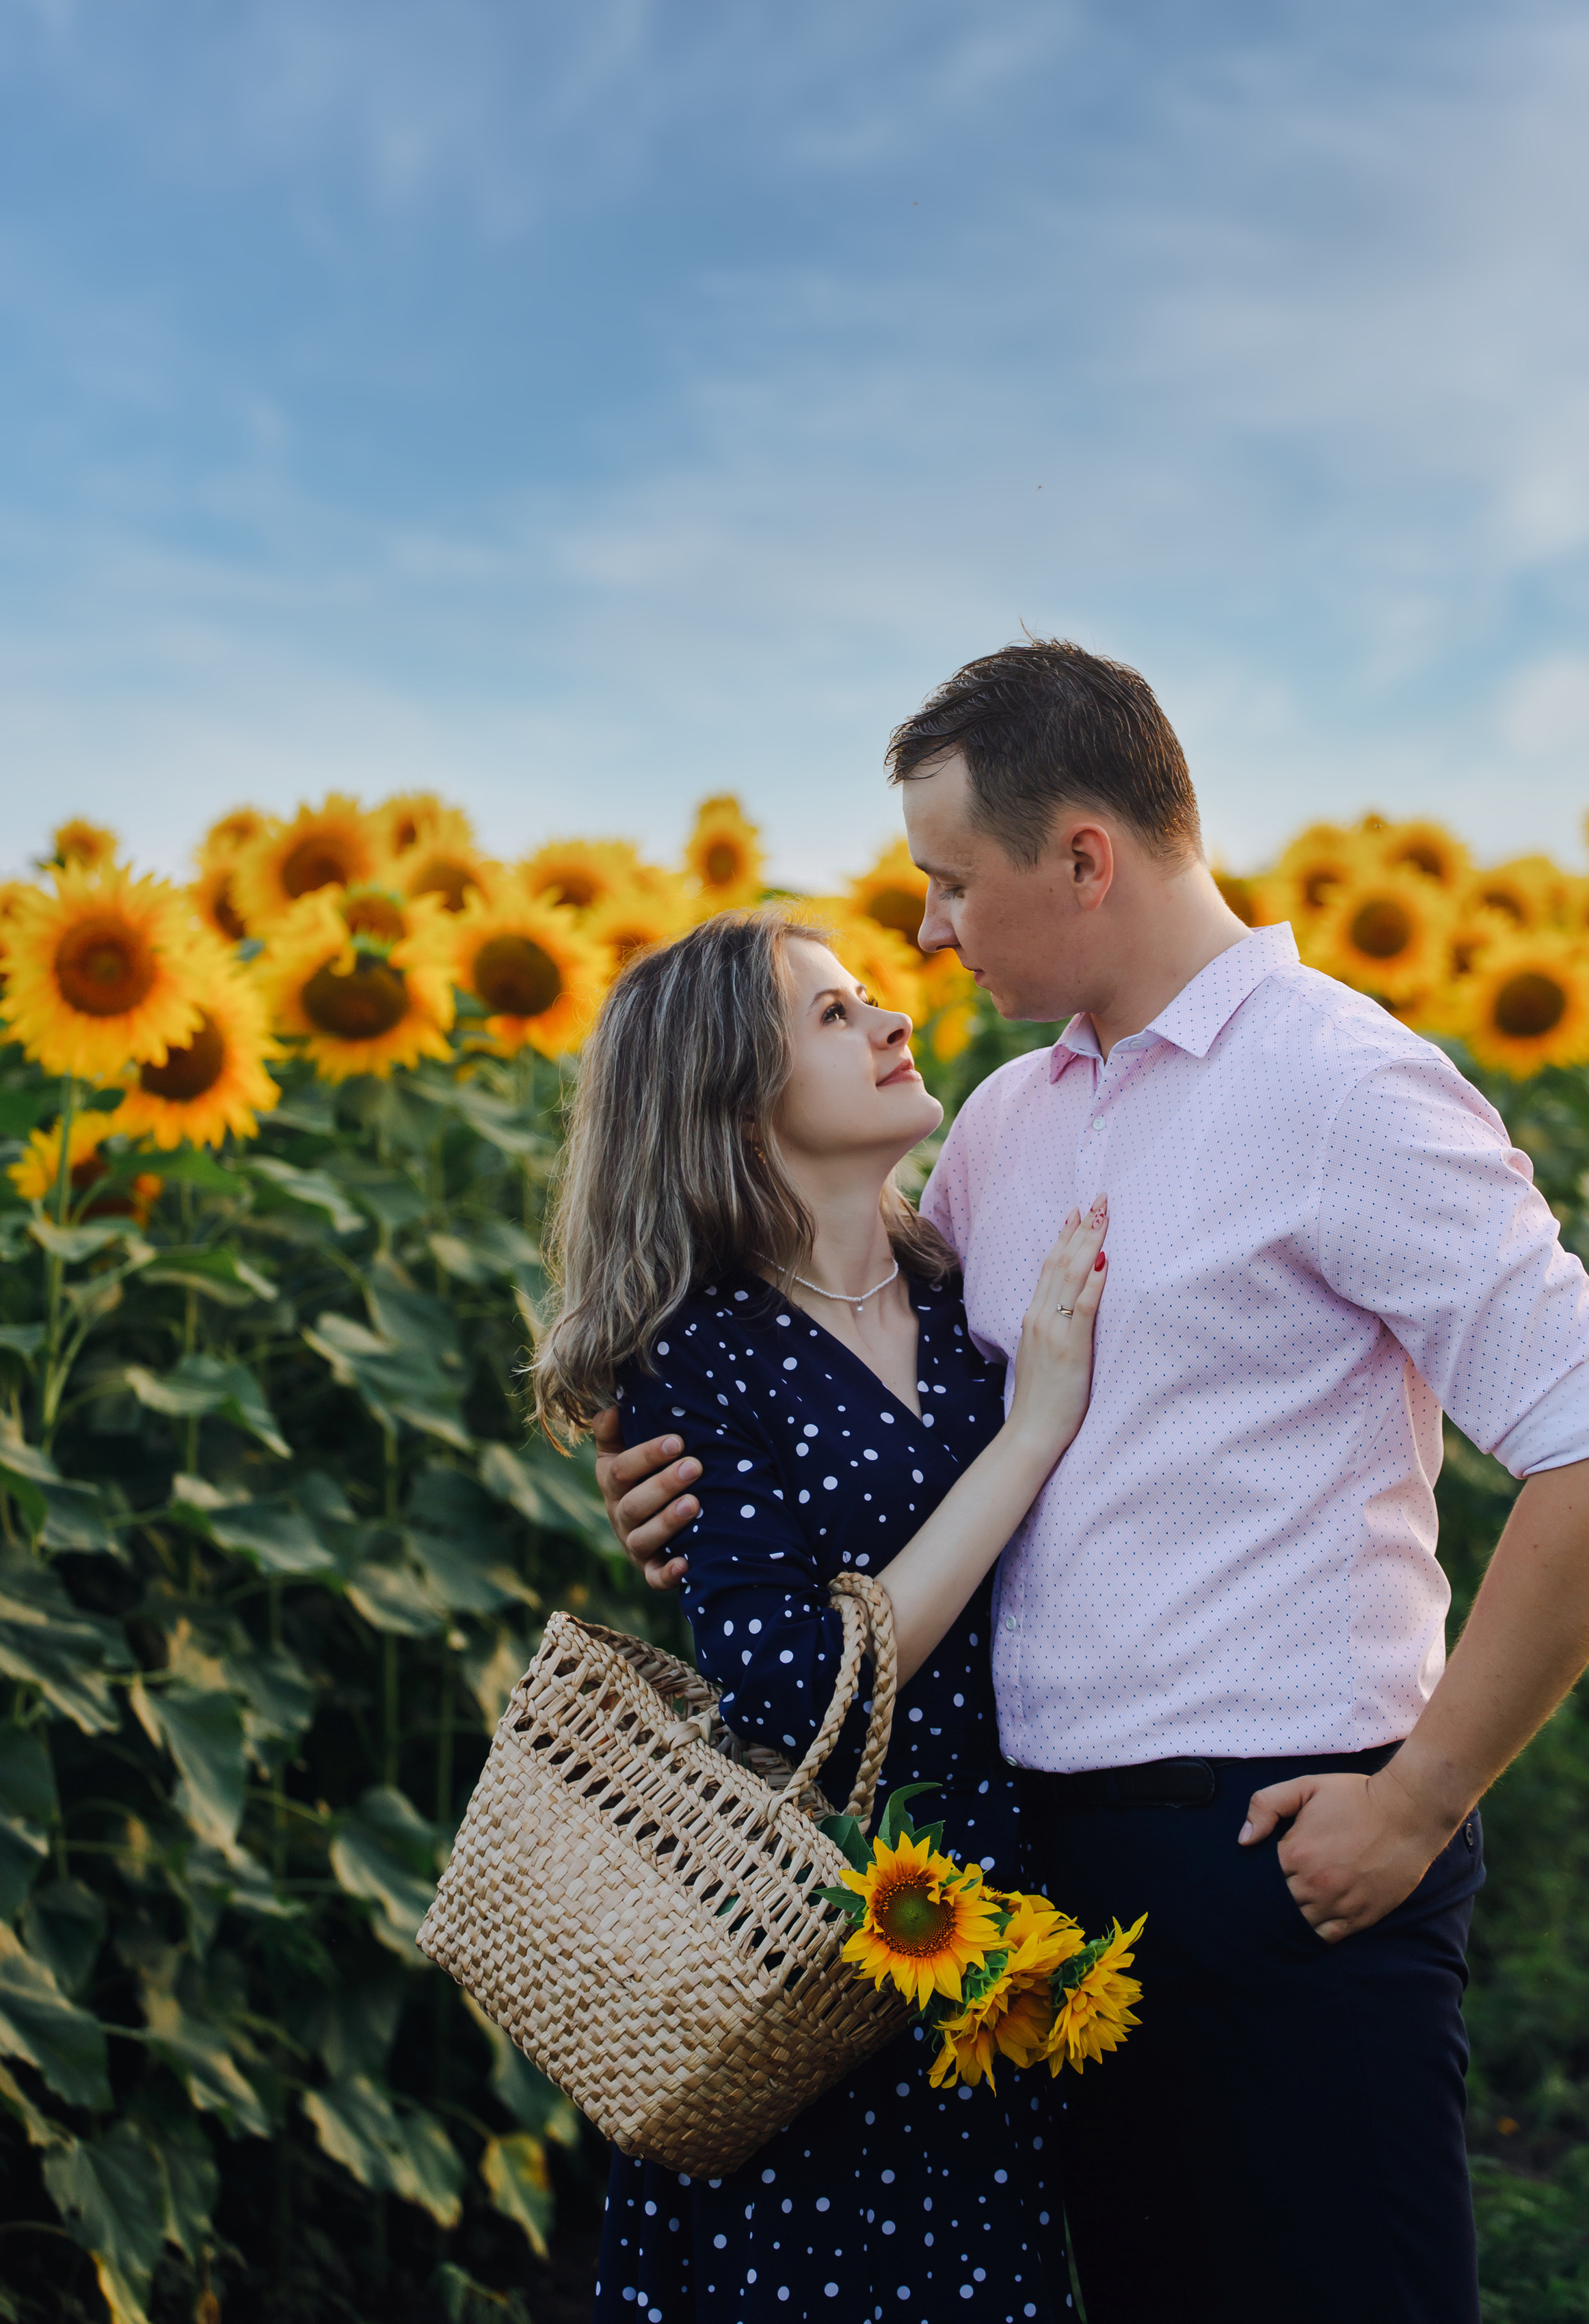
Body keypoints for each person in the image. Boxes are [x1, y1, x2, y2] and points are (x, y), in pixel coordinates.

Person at [595, 637, 1589, 2324]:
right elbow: (858, 1402)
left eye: (950, 882)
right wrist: (673, 1477)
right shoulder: (998, 1128)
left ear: (1083, 856)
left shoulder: (1342, 1088)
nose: (928, 936)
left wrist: (1416, 1801)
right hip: (1042, 1903)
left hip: (1285, 1855)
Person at [533, 905, 1111, 2324]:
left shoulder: (959, 1280)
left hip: (1007, 1913)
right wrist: (1026, 1436)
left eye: (869, 996)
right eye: (834, 1014)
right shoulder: (699, 1356)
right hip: (822, 1942)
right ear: (729, 1098)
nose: (893, 1018)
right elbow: (793, 1687)